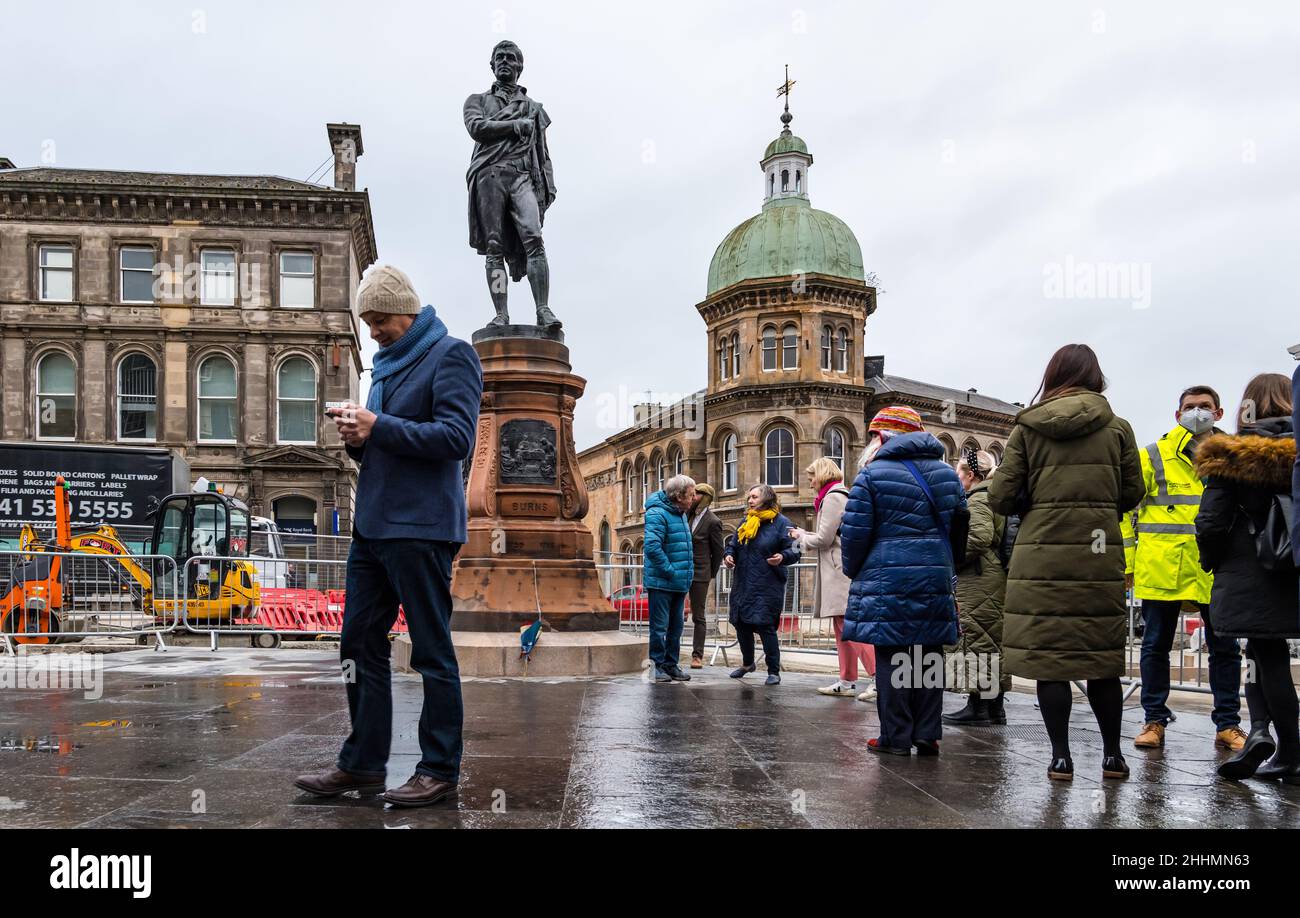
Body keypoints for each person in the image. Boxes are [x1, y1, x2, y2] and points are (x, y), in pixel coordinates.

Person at [294, 265, 482, 808]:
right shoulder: (384, 366)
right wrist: (357, 436)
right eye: (367, 322)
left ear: (406, 310)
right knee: (357, 644)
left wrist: (378, 426)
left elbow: (456, 438)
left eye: (379, 320)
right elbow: (381, 445)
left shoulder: (451, 354)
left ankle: (439, 768)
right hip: (373, 527)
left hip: (422, 529)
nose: (373, 331)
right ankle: (363, 765)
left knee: (430, 651)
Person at [989, 344, 1144, 782]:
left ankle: (1060, 758)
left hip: (1041, 558)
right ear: (1096, 377)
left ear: (1052, 376)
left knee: (1049, 660)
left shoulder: (1028, 429)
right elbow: (1132, 492)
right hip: (1098, 557)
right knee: (1102, 660)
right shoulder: (1118, 429)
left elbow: (1000, 497)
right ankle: (1112, 755)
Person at [1121, 386, 1244, 751]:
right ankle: (1154, 720)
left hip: (1214, 568)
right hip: (1163, 568)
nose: (1197, 413)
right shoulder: (1154, 456)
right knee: (1155, 646)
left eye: (1204, 407)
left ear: (1218, 413)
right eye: (1190, 407)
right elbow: (1125, 510)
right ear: (1177, 415)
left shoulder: (1234, 456)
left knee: (1225, 649)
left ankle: (1228, 724)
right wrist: (1128, 563)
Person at [841, 406, 966, 756]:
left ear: (883, 437)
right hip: (934, 575)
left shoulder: (871, 475)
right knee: (928, 654)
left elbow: (854, 535)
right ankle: (927, 733)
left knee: (894, 654)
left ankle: (895, 737)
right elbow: (960, 530)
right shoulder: (947, 475)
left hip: (886, 578)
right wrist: (947, 565)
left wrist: (854, 570)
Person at [1195, 374, 1298, 782]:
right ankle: (1262, 733)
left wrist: (1214, 561)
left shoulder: (1231, 455)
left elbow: (1210, 522)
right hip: (1296, 567)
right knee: (1263, 656)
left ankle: (1285, 747)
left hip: (1253, 571)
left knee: (1263, 654)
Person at [788, 456, 876, 700]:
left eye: (811, 477)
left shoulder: (833, 497)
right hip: (838, 568)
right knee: (842, 626)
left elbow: (824, 539)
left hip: (839, 570)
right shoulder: (835, 496)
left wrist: (800, 536)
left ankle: (878, 677)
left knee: (850, 625)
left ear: (823, 474)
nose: (810, 482)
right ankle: (847, 680)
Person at [943, 447, 1012, 726]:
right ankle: (994, 707)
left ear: (971, 474)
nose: (957, 476)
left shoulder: (978, 499)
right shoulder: (994, 495)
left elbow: (980, 536)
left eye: (959, 471)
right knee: (991, 641)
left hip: (978, 579)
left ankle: (978, 708)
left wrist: (954, 558)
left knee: (976, 640)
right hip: (991, 577)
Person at [723, 484, 799, 685]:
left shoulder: (783, 523)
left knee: (765, 626)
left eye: (754, 497)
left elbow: (796, 549)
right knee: (741, 624)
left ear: (766, 498)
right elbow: (733, 545)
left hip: (768, 584)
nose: (750, 500)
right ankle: (748, 664)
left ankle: (773, 670)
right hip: (743, 583)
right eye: (749, 497)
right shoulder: (746, 521)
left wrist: (783, 556)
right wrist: (729, 555)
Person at [643, 475, 697, 683]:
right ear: (679, 495)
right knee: (659, 627)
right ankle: (655, 667)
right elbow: (652, 547)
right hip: (662, 581)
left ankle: (670, 665)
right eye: (691, 494)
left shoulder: (680, 512)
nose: (693, 498)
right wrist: (670, 571)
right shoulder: (657, 513)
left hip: (678, 581)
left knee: (676, 626)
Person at [686, 483, 725, 669]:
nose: (693, 497)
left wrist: (711, 573)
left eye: (696, 494)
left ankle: (697, 655)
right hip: (681, 570)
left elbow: (718, 552)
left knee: (698, 616)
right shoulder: (687, 515)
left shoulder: (713, 521)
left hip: (700, 574)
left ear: (706, 497)